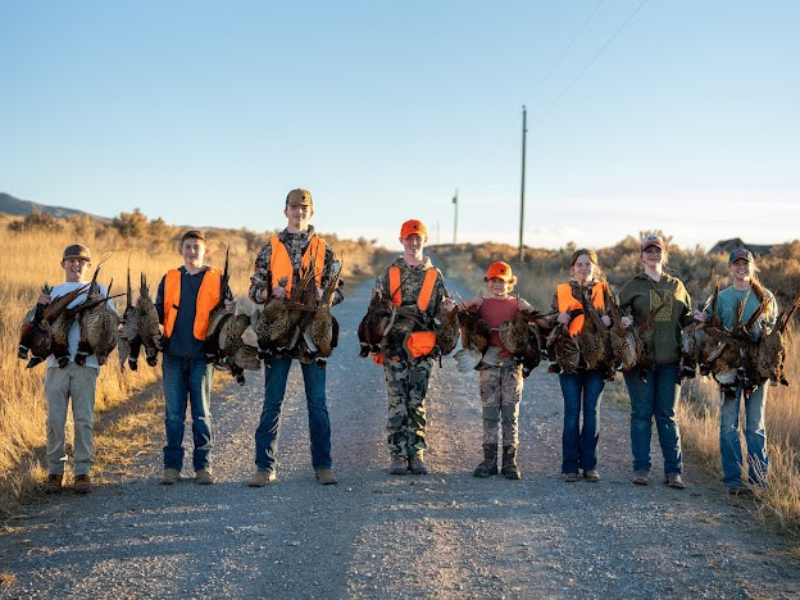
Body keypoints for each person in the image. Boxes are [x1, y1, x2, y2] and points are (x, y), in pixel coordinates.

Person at [247, 188, 343, 487]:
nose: (298, 212)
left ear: (311, 212)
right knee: (272, 402)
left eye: (304, 208)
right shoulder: (270, 248)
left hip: (312, 333)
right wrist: (266, 293)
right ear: (285, 210)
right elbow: (253, 289)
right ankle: (264, 467)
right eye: (293, 207)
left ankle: (323, 465)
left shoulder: (325, 250)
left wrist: (324, 296)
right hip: (279, 333)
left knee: (317, 402)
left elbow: (338, 291)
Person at [373, 219, 453, 475]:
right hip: (394, 345)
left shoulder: (434, 275)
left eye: (418, 238)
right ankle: (397, 455)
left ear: (424, 240)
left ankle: (416, 453)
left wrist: (448, 311)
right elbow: (376, 312)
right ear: (401, 240)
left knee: (417, 401)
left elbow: (443, 310)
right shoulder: (389, 272)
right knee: (397, 400)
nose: (413, 242)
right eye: (409, 238)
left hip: (423, 347)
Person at [694, 248, 777, 495]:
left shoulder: (766, 297)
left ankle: (758, 481)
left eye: (746, 263)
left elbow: (775, 331)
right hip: (727, 367)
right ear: (730, 268)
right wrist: (701, 319)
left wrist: (769, 334)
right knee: (729, 425)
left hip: (756, 371)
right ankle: (732, 479)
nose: (741, 267)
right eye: (737, 263)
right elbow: (707, 325)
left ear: (753, 267)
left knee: (755, 425)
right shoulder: (721, 297)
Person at [155, 230, 233, 486]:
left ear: (205, 251)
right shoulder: (169, 278)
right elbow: (157, 314)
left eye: (196, 247)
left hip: (202, 357)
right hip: (173, 356)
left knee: (201, 413)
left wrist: (231, 310)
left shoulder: (217, 279)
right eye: (187, 247)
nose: (191, 251)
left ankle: (203, 467)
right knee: (174, 415)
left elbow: (227, 317)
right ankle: (172, 468)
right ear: (181, 250)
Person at [619, 234, 692, 489]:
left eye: (657, 251)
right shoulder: (632, 286)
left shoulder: (676, 286)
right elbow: (617, 318)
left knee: (667, 415)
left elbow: (687, 319)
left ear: (664, 255)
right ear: (641, 257)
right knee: (641, 414)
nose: (653, 255)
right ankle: (641, 469)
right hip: (640, 362)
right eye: (648, 251)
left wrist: (700, 319)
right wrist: (622, 322)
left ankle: (674, 471)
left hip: (670, 361)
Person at [41, 244, 112, 494]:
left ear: (88, 266)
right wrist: (41, 306)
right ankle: (55, 472)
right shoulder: (54, 292)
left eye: (82, 261)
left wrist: (101, 305)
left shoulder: (99, 290)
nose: (76, 265)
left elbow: (112, 328)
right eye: (71, 261)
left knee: (83, 420)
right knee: (54, 421)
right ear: (63, 264)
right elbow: (35, 327)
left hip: (86, 365)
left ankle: (82, 472)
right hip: (55, 366)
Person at [461, 261, 534, 480]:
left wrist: (529, 309)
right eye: (493, 280)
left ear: (510, 283)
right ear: (488, 282)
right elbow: (457, 315)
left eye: (502, 281)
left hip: (512, 364)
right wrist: (472, 302)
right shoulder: (481, 305)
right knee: (490, 412)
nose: (497, 285)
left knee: (510, 413)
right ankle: (489, 460)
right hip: (488, 363)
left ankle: (510, 462)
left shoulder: (517, 305)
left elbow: (540, 323)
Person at [552, 249, 611, 483]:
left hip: (597, 360)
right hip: (569, 360)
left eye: (588, 265)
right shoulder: (562, 290)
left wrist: (610, 320)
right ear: (572, 268)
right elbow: (549, 318)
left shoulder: (603, 290)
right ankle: (569, 467)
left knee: (592, 414)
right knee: (571, 412)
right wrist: (558, 318)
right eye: (580, 265)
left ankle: (589, 465)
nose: (584, 269)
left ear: (594, 267)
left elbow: (616, 319)